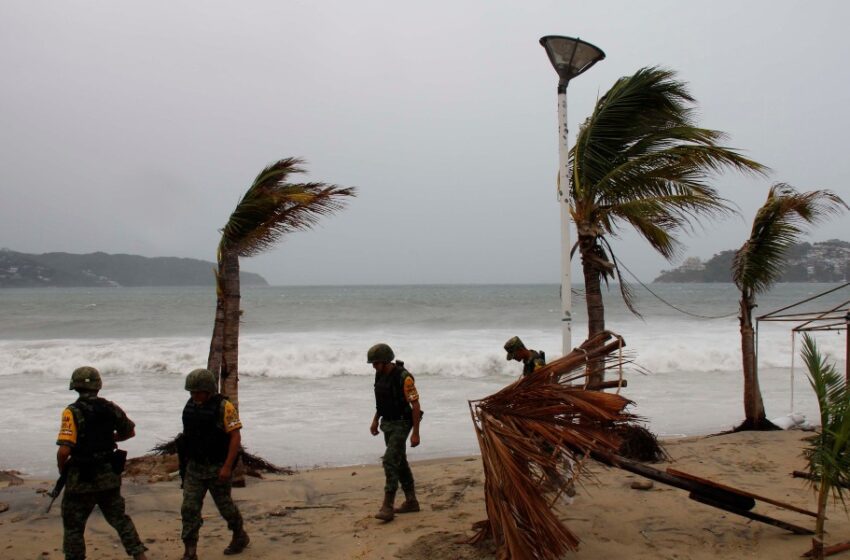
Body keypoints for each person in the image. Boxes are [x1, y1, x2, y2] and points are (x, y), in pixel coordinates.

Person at [55, 366, 148, 560]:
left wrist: (62, 469)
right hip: (108, 476)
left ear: (75, 387)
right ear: (98, 385)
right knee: (120, 519)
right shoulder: (110, 407)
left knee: (73, 526)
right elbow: (129, 432)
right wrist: (109, 439)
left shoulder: (72, 411)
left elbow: (64, 450)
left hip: (81, 478)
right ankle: (139, 555)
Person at [179, 368, 249, 560]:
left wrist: (227, 467)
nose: (194, 396)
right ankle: (190, 550)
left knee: (225, 507)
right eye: (191, 392)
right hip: (194, 467)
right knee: (189, 509)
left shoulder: (224, 407)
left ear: (208, 390)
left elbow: (235, 437)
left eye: (197, 392)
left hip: (217, 467)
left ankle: (239, 535)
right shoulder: (190, 406)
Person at [368, 343, 422, 522]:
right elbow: (381, 401)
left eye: (376, 363)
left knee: (390, 460)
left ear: (385, 361)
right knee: (399, 461)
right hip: (388, 422)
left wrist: (416, 433)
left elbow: (415, 406)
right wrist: (376, 419)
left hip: (403, 422)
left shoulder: (404, 377)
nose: (374, 367)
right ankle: (411, 501)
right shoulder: (379, 375)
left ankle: (388, 505)